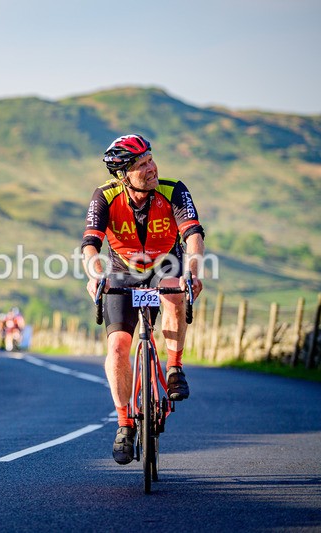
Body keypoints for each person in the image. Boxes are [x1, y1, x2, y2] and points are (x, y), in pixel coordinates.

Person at [80, 134, 205, 465]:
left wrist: (193, 268)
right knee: (119, 346)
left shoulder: (173, 189)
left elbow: (193, 235)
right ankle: (124, 424)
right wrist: (95, 274)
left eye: (151, 159)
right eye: (141, 164)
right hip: (123, 271)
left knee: (176, 287)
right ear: (123, 175)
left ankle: (175, 366)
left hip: (166, 263)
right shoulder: (105, 196)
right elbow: (90, 244)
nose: (151, 168)